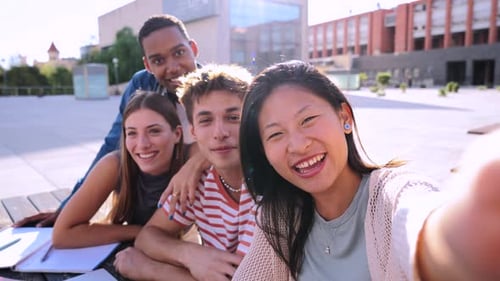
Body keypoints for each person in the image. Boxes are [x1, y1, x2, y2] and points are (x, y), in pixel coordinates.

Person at [232, 60, 500, 280]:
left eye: (308, 119)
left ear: (344, 118)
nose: (298, 145)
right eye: (276, 134)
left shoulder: (391, 196)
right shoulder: (280, 217)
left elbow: (417, 214)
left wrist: (449, 236)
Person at [14, 14, 206, 228]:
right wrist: (68, 208)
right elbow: (114, 143)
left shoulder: (218, 87)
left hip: (209, 195)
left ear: (193, 49)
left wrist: (196, 163)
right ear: (148, 65)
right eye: (158, 60)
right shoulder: (143, 84)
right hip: (158, 198)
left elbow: (239, 144)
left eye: (179, 53)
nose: (172, 67)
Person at [113, 64, 257, 281]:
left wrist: (150, 270)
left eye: (233, 117)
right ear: (193, 131)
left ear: (252, 122)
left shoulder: (270, 187)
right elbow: (147, 236)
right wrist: (191, 254)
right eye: (206, 120)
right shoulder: (197, 182)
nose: (219, 133)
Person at [52, 91, 183, 248]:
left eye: (154, 131)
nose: (142, 144)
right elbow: (62, 235)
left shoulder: (189, 168)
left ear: (177, 134)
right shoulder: (114, 165)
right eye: (132, 133)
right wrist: (137, 231)